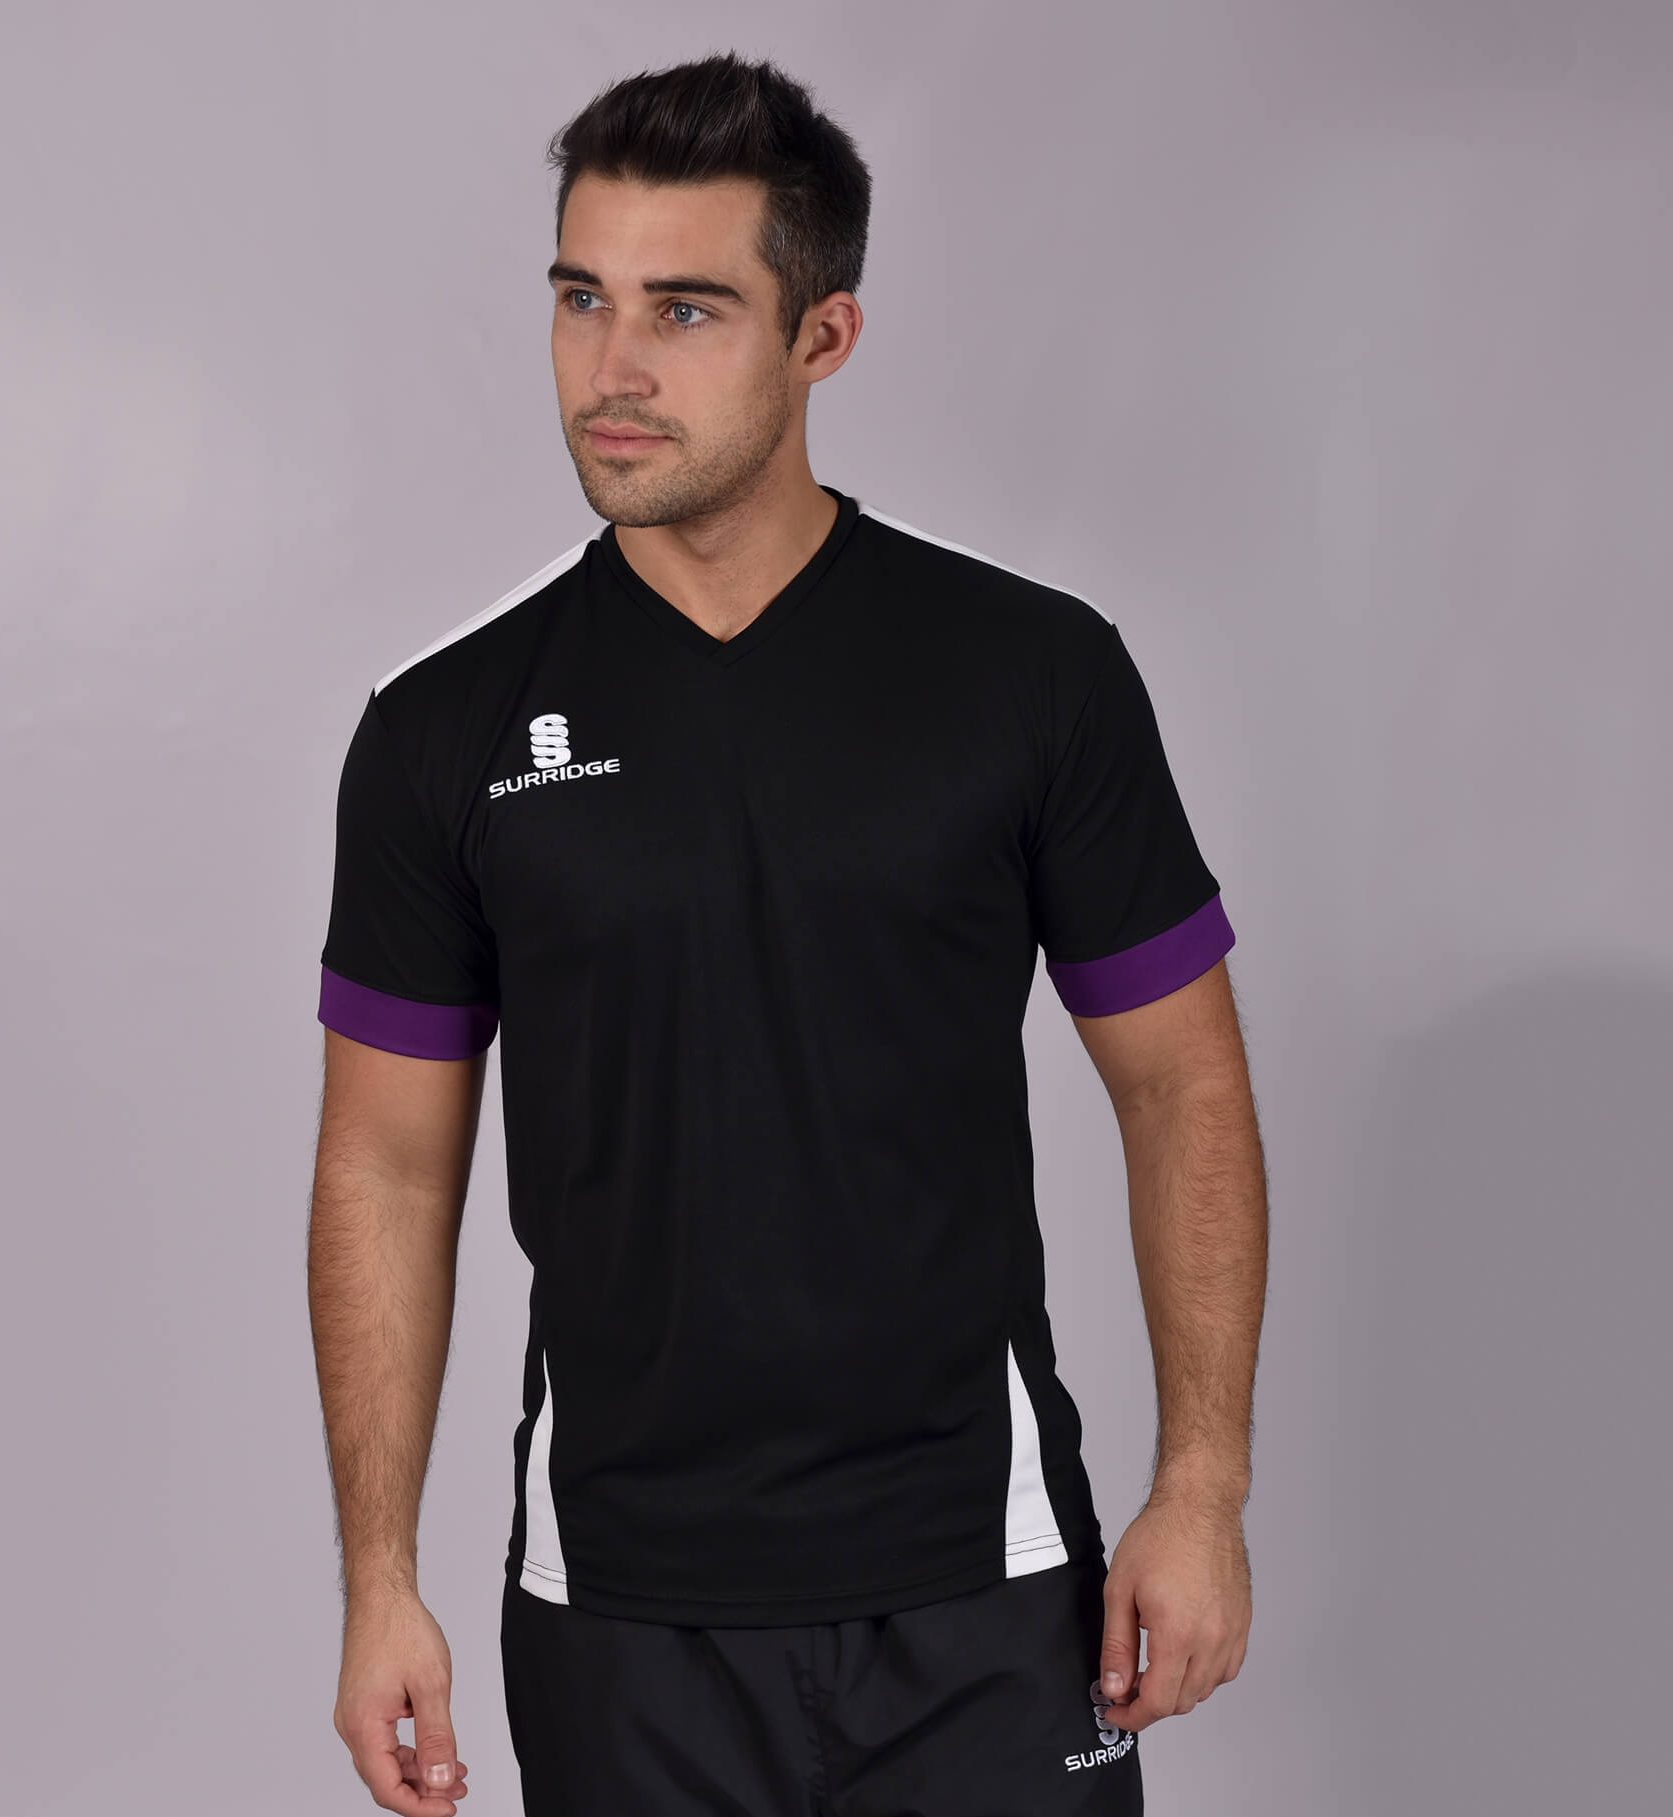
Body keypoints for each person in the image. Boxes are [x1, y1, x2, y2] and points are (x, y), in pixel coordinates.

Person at [306, 49, 1266, 1817]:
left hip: (988, 1586)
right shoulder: (442, 729)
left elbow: (1182, 1084)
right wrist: (380, 1577)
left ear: (824, 336)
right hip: (617, 1609)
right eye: (582, 299)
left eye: (685, 310)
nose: (613, 367)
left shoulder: (1030, 673)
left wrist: (1200, 1486)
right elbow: (384, 1164)